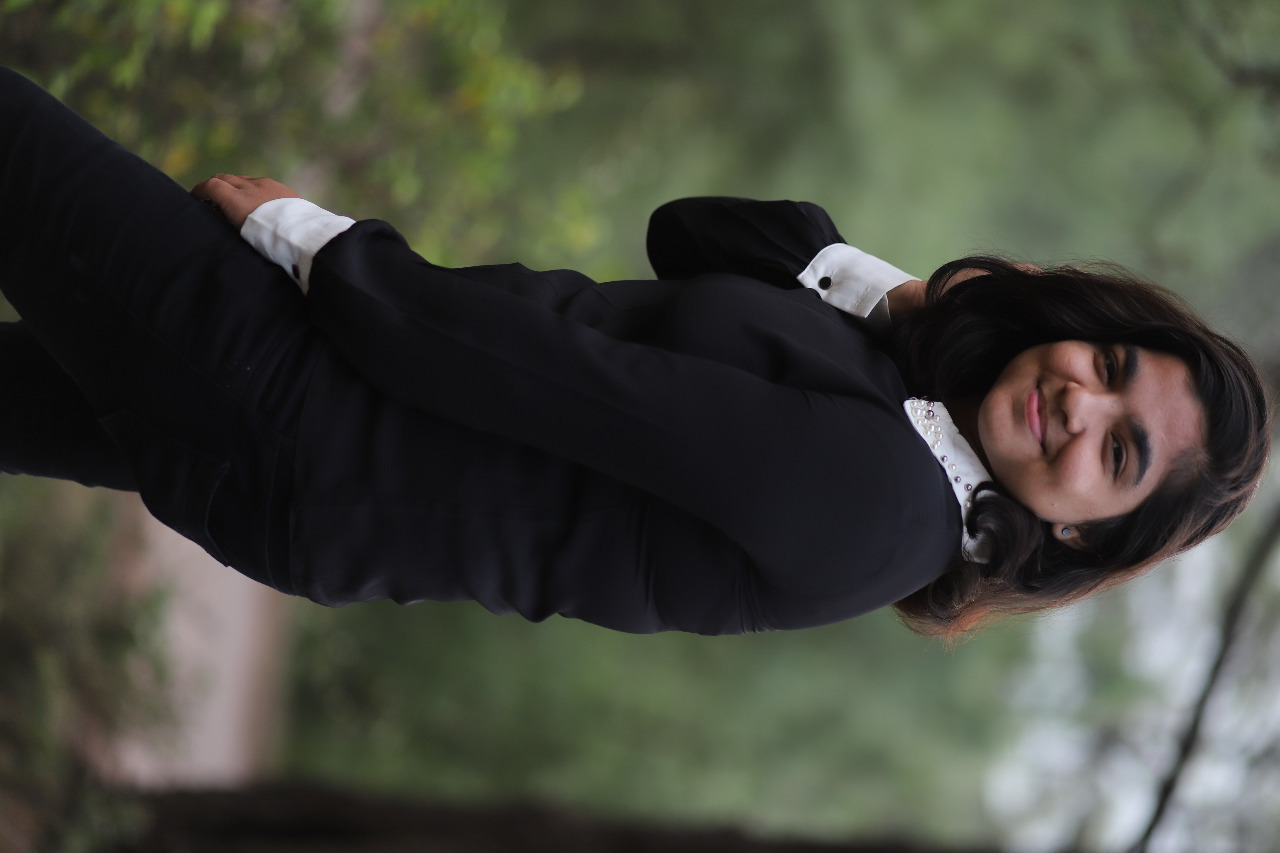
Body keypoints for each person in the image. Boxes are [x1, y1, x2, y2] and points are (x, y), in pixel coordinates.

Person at [1, 67, 1269, 639]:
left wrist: (317, 243)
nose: (1077, 398)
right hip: (312, 431)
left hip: (306, 410)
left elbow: (558, 381)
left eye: (1117, 451)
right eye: (1108, 365)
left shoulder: (878, 504)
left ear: (1082, 533)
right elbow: (691, 238)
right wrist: (903, 299)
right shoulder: (898, 406)